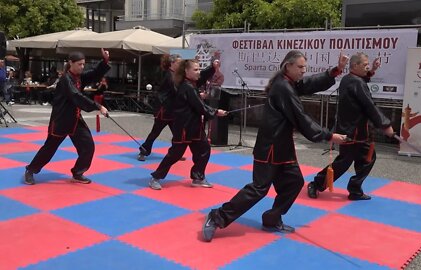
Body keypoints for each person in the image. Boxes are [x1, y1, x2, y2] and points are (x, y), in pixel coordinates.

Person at [201, 50, 348, 242]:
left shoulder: (289, 83)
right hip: (269, 147)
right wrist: (329, 136)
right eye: (300, 67)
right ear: (288, 66)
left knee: (294, 183)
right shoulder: (283, 88)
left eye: (305, 67)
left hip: (283, 147)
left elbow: (308, 84)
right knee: (259, 188)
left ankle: (272, 218)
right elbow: (300, 116)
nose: (304, 70)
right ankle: (217, 216)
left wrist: (335, 71)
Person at [307, 52, 394, 201]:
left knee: (368, 158)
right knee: (343, 162)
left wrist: (372, 70)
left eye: (368, 65)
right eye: (365, 65)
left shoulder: (350, 79)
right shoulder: (356, 82)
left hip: (359, 131)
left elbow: (363, 80)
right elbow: (369, 106)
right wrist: (385, 125)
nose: (367, 68)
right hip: (351, 131)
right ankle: (316, 184)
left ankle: (355, 189)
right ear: (354, 66)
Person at [24, 49, 110, 185]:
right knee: (49, 148)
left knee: (88, 146)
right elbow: (76, 95)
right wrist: (98, 106)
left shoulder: (80, 77)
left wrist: (104, 61)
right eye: (79, 64)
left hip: (75, 120)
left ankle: (78, 172)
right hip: (61, 120)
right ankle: (31, 170)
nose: (82, 67)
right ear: (71, 63)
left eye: (83, 64)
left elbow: (95, 73)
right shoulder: (65, 80)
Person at [149, 59, 228, 190]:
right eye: (195, 70)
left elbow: (199, 87)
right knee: (175, 154)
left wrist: (212, 68)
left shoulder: (191, 84)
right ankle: (155, 177)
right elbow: (199, 106)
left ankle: (198, 177)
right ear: (186, 71)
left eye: (198, 69)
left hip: (195, 126)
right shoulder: (187, 86)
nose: (198, 72)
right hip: (184, 127)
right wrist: (216, 112)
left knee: (204, 149)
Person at [137, 54, 183, 162]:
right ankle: (143, 151)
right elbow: (175, 91)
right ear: (173, 63)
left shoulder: (175, 75)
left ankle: (175, 154)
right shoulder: (168, 75)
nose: (180, 64)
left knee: (178, 133)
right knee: (155, 132)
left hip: (172, 110)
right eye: (179, 62)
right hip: (164, 110)